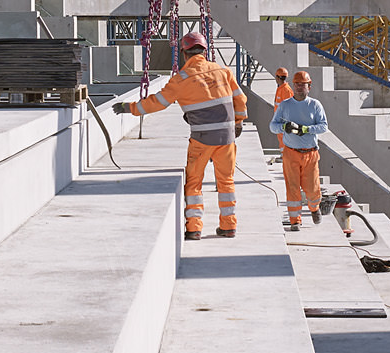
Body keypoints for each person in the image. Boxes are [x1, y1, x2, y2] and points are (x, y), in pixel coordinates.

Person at [117, 33, 246, 238]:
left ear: (184, 53)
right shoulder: (223, 71)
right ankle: (229, 225)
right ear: (205, 51)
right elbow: (240, 99)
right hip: (226, 137)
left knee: (194, 182)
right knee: (226, 181)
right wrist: (238, 122)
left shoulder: (181, 79)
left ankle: (194, 228)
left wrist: (128, 108)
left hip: (202, 139)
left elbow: (157, 102)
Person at [271, 67, 329, 231]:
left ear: (309, 86)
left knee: (312, 188)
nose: (299, 87)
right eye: (296, 84)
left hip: (310, 153)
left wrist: (306, 129)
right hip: (291, 153)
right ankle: (295, 220)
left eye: (303, 84)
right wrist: (284, 127)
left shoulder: (315, 105)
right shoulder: (285, 105)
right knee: (292, 188)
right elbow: (273, 126)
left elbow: (323, 126)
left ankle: (314, 208)